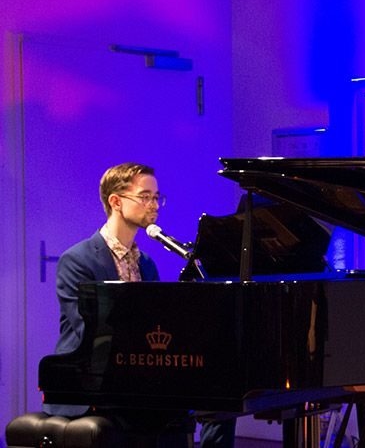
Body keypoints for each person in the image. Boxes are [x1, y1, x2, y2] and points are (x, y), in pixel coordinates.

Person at [44, 162, 235, 447]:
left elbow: (158, 325)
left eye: (157, 196)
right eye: (145, 196)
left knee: (223, 402)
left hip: (136, 375)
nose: (155, 204)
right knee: (165, 413)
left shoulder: (146, 263)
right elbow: (90, 332)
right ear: (116, 201)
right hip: (90, 384)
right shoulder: (79, 260)